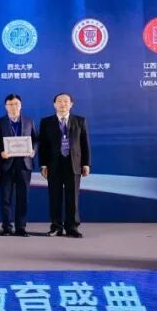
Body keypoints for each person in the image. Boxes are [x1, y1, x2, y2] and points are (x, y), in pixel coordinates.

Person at [39, 92, 91, 238]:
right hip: (53, 164)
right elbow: (43, 145)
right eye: (60, 101)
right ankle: (56, 227)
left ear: (71, 104)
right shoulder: (46, 122)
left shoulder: (80, 121)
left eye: (66, 101)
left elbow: (85, 144)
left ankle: (72, 227)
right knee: (54, 196)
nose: (63, 104)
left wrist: (86, 164)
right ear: (54, 104)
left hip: (73, 163)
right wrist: (43, 165)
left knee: (72, 197)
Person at [0, 94, 38, 237]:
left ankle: (21, 227)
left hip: (24, 164)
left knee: (23, 198)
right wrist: (0, 152)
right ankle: (6, 227)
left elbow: (35, 139)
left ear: (21, 105)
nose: (13, 107)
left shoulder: (29, 121)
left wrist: (33, 150)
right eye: (10, 104)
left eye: (16, 104)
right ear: (5, 107)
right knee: (5, 198)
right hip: (6, 164)